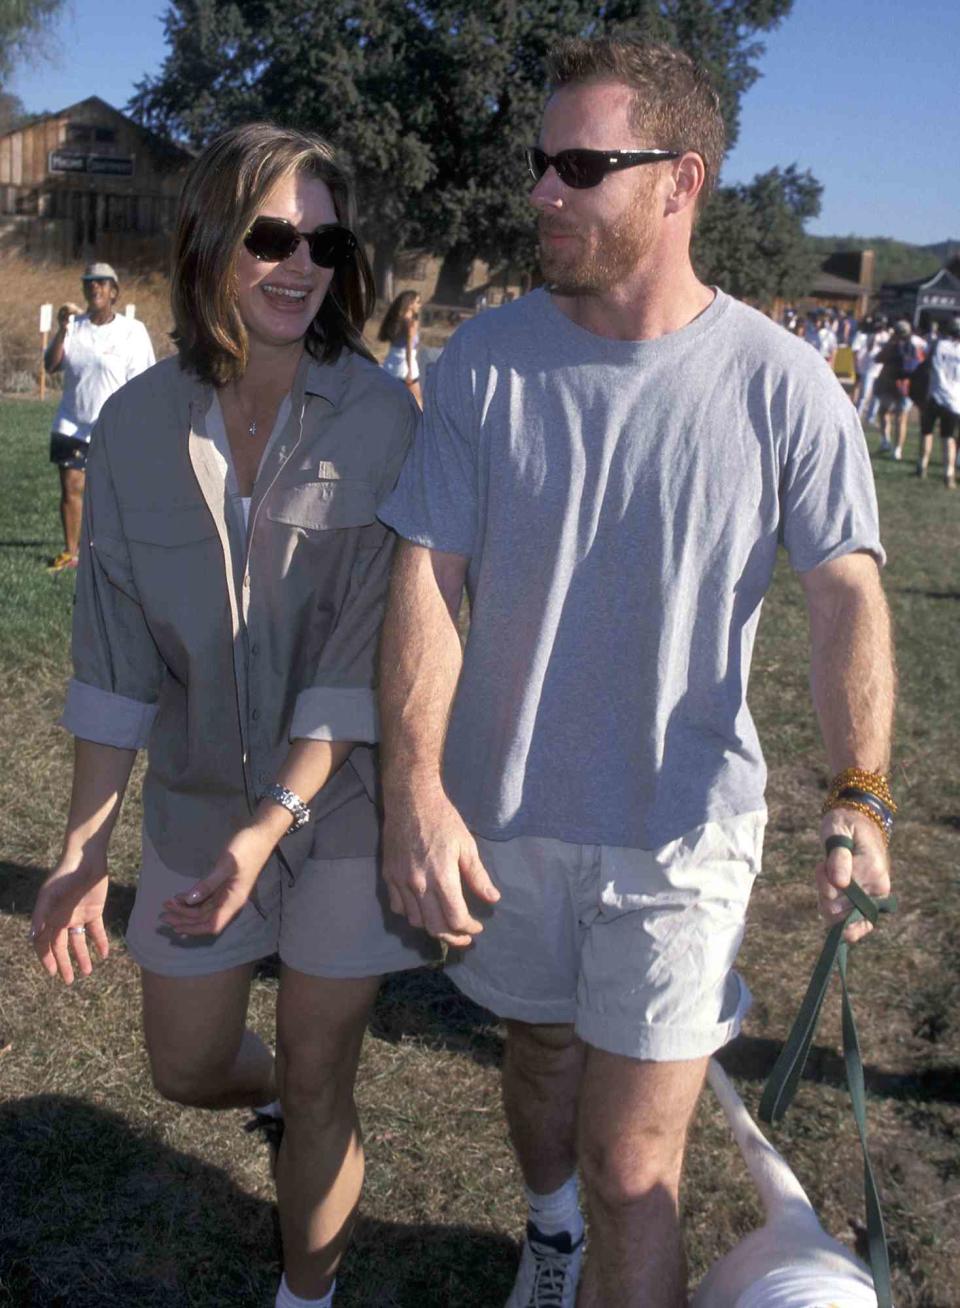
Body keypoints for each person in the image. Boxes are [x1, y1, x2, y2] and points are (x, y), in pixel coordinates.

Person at [376, 35, 895, 1308]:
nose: (544, 191)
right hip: (508, 815)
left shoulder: (784, 387)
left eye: (583, 166)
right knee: (542, 1061)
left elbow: (844, 590)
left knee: (632, 1163)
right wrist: (416, 789)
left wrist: (862, 787)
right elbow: (427, 578)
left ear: (681, 182)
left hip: (682, 833)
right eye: (542, 162)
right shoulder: (488, 362)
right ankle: (545, 1227)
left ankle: (586, 1216)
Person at [30, 123, 432, 1308]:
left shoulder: (383, 421)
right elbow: (113, 657)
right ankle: (280, 1101)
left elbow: (366, 656)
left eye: (321, 239)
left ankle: (304, 1292)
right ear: (211, 243)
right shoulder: (138, 427)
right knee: (184, 1065)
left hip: (344, 802)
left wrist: (279, 818)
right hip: (201, 803)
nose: (299, 264)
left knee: (321, 1075)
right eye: (269, 237)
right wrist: (77, 852)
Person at [43, 262, 155, 572]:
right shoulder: (74, 326)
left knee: (113, 494)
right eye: (90, 282)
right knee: (71, 488)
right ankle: (71, 552)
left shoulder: (132, 331)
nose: (95, 287)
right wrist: (62, 329)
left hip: (113, 427)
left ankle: (113, 551)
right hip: (71, 423)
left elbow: (142, 381)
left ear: (114, 292)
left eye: (102, 283)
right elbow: (51, 365)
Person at [917, 315, 960, 486]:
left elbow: (933, 366)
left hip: (935, 395)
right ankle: (948, 473)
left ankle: (922, 466)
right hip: (955, 399)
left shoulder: (940, 345)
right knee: (948, 437)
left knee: (927, 432)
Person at [874, 319, 925, 459]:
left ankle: (886, 441)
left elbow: (877, 358)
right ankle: (898, 450)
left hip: (890, 383)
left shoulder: (891, 346)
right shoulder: (915, 345)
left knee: (883, 411)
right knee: (901, 418)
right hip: (906, 385)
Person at [378, 289, 422, 407]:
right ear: (410, 304)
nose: (419, 305)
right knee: (418, 405)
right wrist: (410, 371)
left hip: (390, 366)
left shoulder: (396, 321)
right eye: (417, 302)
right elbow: (409, 347)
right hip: (405, 367)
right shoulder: (411, 323)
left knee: (390, 405)